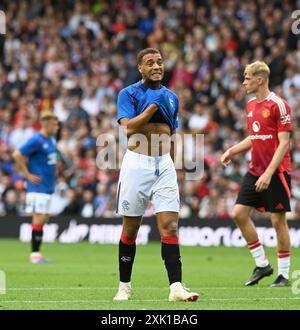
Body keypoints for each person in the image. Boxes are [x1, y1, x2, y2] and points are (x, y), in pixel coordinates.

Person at [113, 48, 199, 301]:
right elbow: (127, 129)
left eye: (159, 62)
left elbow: (171, 132)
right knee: (131, 230)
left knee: (170, 226)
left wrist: (171, 161)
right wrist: (151, 108)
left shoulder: (171, 97)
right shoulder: (128, 94)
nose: (156, 66)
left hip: (164, 165)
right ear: (140, 67)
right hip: (136, 164)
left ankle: (176, 287)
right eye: (150, 63)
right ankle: (124, 287)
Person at [220, 61, 292, 287]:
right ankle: (262, 265)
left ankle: (284, 275)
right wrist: (232, 150)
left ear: (260, 79)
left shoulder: (279, 105)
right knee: (239, 213)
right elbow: (255, 137)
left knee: (277, 220)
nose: (243, 82)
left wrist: (269, 173)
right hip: (255, 169)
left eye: (247, 78)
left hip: (276, 171)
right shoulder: (250, 105)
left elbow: (283, 144)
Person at [13, 111, 59, 263]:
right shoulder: (36, 140)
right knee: (39, 218)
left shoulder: (50, 139)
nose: (57, 127)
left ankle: (37, 253)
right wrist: (27, 175)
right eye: (54, 124)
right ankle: (35, 254)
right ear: (46, 124)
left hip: (47, 185)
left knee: (44, 218)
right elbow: (17, 154)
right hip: (38, 186)